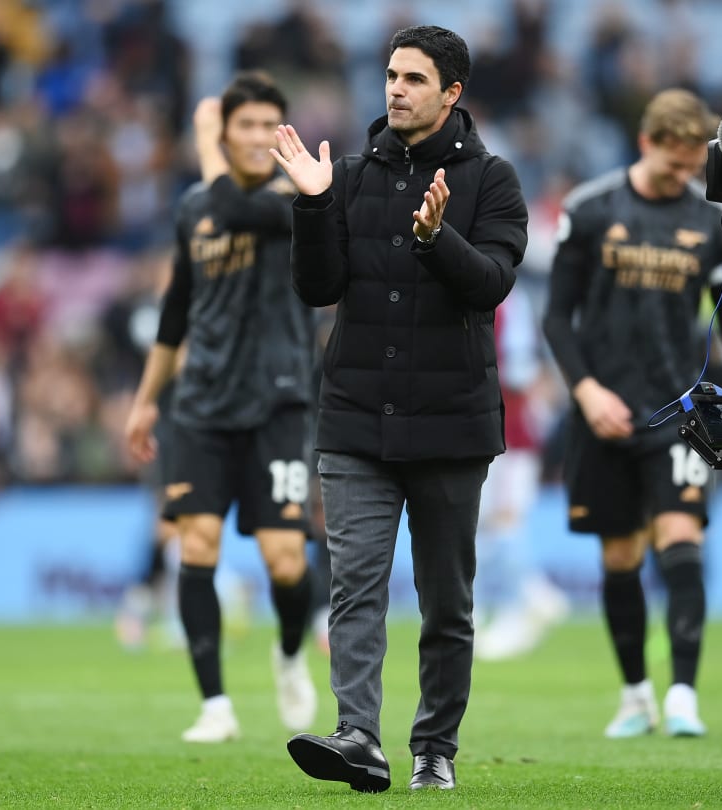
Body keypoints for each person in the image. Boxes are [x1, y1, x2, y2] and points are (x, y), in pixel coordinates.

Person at [270, 25, 528, 792]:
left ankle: (434, 749)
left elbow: (490, 283)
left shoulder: (493, 180)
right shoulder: (347, 176)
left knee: (446, 603)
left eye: (414, 78)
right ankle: (357, 736)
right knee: (354, 586)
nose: (395, 89)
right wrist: (314, 207)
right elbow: (317, 288)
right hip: (354, 418)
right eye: (389, 75)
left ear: (452, 92)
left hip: (452, 423)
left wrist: (433, 237)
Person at [542, 88, 722, 740]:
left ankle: (684, 692)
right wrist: (585, 391)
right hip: (603, 412)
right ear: (646, 143)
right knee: (621, 556)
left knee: (681, 538)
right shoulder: (590, 209)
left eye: (693, 167)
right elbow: (556, 317)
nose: (684, 177)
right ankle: (636, 694)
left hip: (679, 411)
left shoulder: (717, 227)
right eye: (674, 164)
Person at [123, 73, 318, 744]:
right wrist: (147, 401)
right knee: (195, 545)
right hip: (200, 404)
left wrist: (203, 138)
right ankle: (214, 705)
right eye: (246, 125)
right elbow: (176, 314)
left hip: (280, 403)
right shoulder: (191, 212)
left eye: (272, 125)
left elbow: (236, 208)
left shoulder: (300, 197)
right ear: (231, 131)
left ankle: (290, 653)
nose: (260, 137)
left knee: (286, 560)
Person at [473, 289, 569, 661]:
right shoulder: (509, 303)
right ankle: (480, 613)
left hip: (510, 437)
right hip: (497, 435)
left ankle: (534, 595)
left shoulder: (508, 304)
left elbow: (519, 370)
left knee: (502, 523)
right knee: (483, 528)